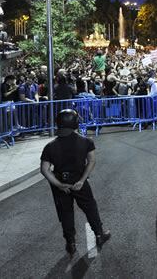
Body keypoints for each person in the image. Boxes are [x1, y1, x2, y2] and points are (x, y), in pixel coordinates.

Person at [40, 109, 111, 254]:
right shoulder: (86, 141)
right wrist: (82, 180)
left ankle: (70, 243)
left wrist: (59, 185)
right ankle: (99, 234)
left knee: (66, 212)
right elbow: (92, 161)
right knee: (90, 207)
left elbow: (44, 169)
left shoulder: (50, 146)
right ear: (75, 123)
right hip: (80, 181)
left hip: (61, 184)